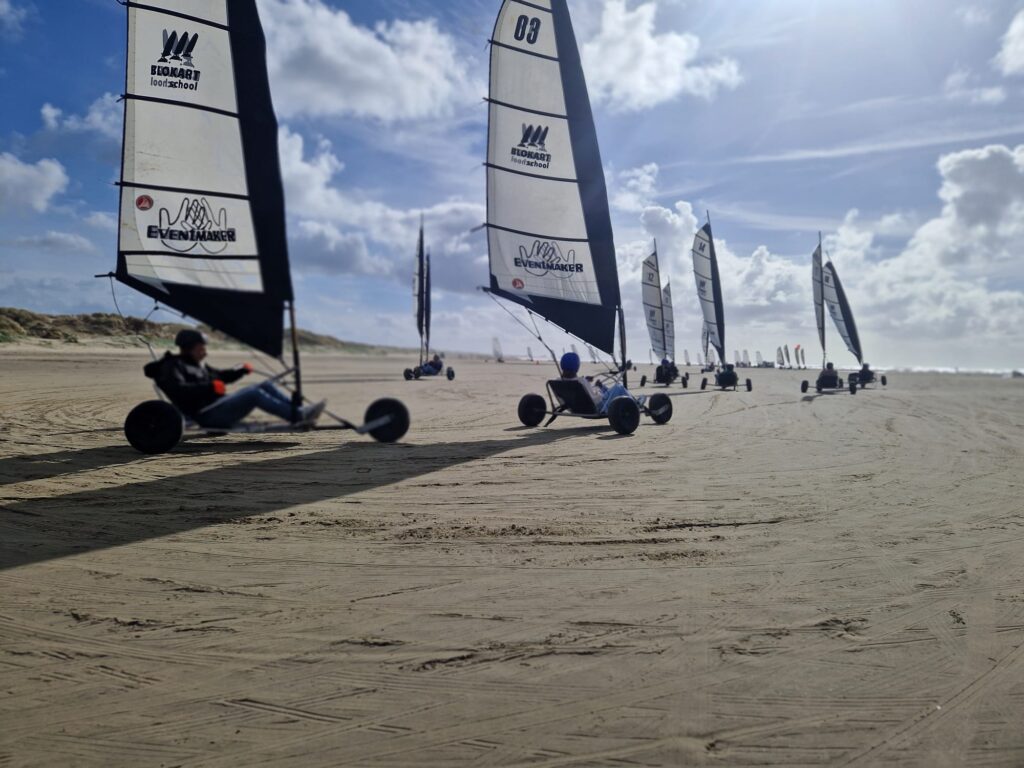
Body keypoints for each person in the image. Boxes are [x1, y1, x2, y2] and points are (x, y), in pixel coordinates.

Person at [145, 329, 325, 429]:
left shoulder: (197, 364)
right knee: (254, 394)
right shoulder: (173, 366)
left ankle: (299, 410)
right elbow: (179, 390)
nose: (205, 352)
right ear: (188, 348)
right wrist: (210, 387)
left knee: (265, 384)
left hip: (218, 406)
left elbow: (221, 376)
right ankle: (297, 416)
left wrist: (240, 371)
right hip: (207, 415)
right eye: (201, 348)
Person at [559, 352, 632, 413]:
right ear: (577, 366)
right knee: (618, 388)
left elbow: (582, 394)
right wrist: (598, 388)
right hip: (596, 408)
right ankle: (635, 404)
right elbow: (596, 399)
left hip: (575, 408)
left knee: (605, 389)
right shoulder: (580, 381)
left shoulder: (558, 381)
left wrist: (587, 382)